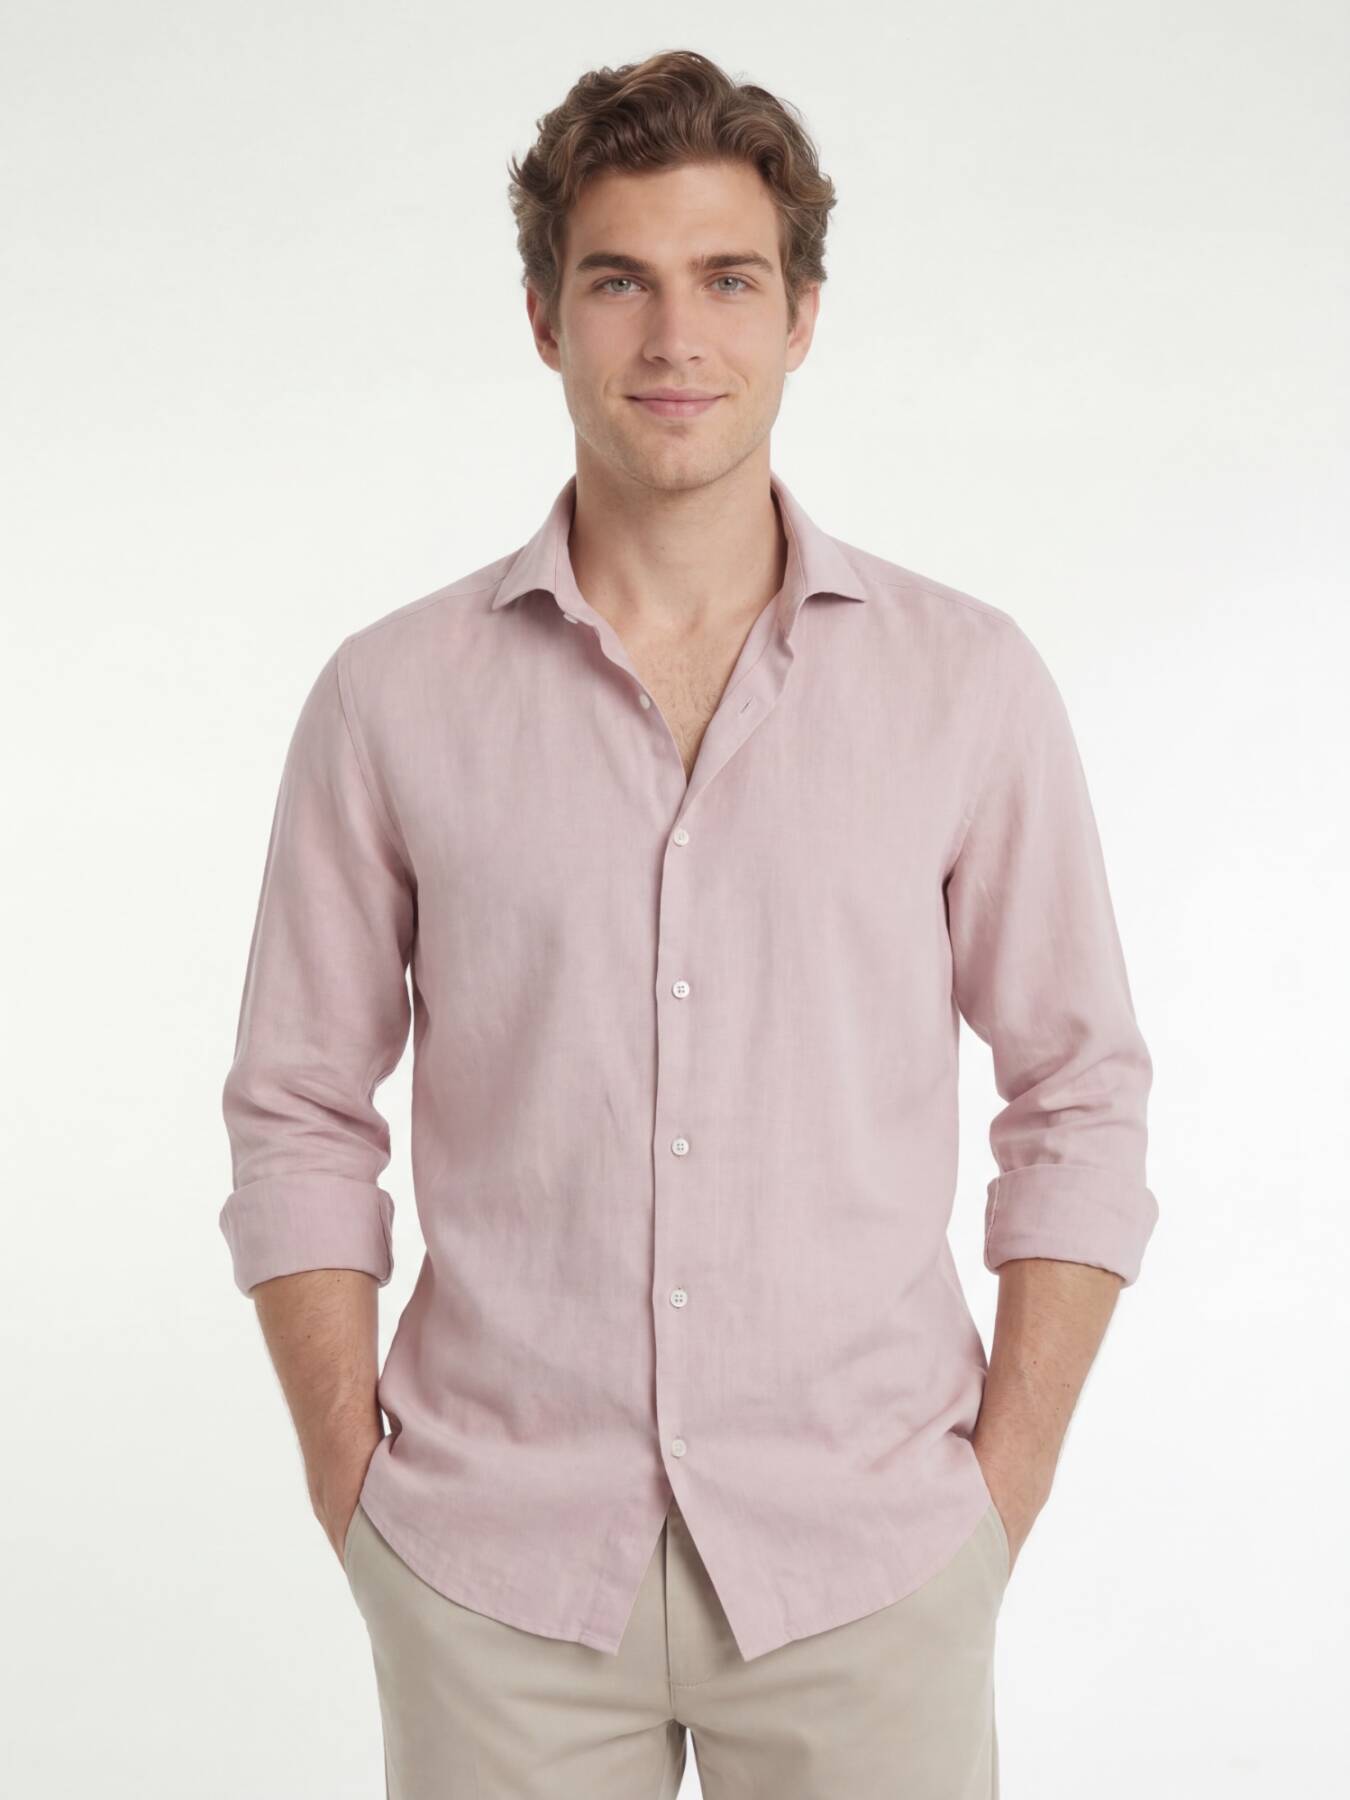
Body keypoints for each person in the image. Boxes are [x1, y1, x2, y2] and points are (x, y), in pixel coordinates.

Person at [218, 47, 1158, 1800]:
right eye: (618, 282)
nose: (674, 339)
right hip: (493, 1576)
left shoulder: (965, 685)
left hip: (870, 1564)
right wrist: (353, 1485)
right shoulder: (390, 698)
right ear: (541, 317)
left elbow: (1080, 1093)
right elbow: (296, 1109)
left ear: (802, 316)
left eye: (727, 280)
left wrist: (996, 1493)